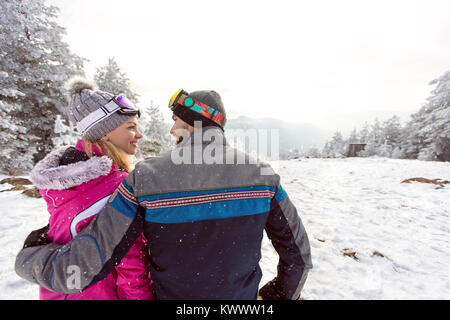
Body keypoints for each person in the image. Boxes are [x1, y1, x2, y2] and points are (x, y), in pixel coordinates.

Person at [16, 88, 312, 300]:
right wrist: (279, 294)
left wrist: (31, 257)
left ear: (187, 123)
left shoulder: (146, 177)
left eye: (175, 121)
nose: (171, 130)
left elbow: (90, 260)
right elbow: (298, 253)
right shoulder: (262, 174)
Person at [25, 77, 152, 300]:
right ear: (105, 133)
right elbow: (130, 263)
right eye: (131, 127)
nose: (139, 135)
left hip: (61, 292)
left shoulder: (63, 179)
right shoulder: (119, 187)